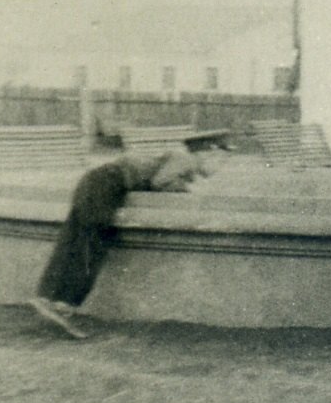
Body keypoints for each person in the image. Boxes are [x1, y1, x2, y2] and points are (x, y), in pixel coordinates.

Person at [29, 131, 231, 339]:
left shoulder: (178, 159)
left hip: (94, 181)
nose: (220, 168)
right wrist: (188, 191)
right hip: (105, 185)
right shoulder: (185, 159)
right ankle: (64, 304)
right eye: (222, 161)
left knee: (73, 240)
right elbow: (160, 182)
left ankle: (47, 297)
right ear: (210, 153)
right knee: (92, 245)